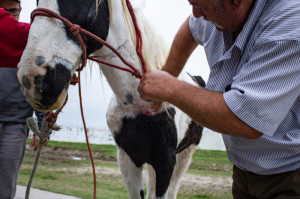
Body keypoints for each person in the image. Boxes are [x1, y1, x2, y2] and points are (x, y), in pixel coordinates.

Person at [138, 0, 300, 198]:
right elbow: (190, 28)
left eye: (201, 6)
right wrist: (167, 75)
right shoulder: (216, 13)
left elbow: (245, 120)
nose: (196, 14)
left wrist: (169, 88)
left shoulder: (289, 27)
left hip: (289, 173)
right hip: (244, 169)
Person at [0, 0, 45, 198]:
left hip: (16, 123)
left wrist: (40, 126)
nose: (8, 15)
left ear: (21, 10)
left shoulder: (33, 41)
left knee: (5, 187)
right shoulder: (31, 35)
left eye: (13, 11)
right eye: (3, 10)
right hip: (15, 121)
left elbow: (39, 84)